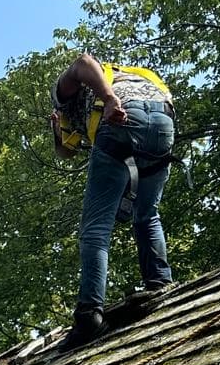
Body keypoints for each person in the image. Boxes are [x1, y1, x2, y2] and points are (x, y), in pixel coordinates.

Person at [51, 55, 175, 345]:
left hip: (122, 117)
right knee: (147, 214)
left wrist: (108, 99)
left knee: (96, 227)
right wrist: (57, 132)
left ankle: (89, 315)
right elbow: (67, 151)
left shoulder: (65, 93)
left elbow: (82, 62)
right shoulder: (135, 75)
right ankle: (160, 284)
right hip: (163, 123)